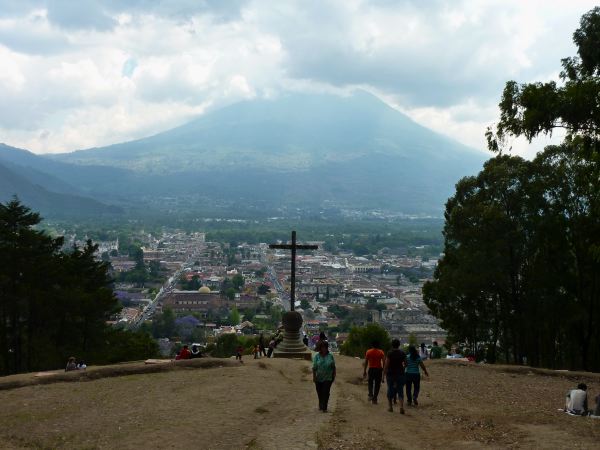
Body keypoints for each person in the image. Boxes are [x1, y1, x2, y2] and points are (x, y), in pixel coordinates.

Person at [382, 338, 406, 414]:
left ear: (392, 345)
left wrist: (383, 375)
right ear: (399, 345)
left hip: (390, 374)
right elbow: (406, 363)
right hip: (400, 373)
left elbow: (386, 365)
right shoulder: (402, 353)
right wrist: (402, 368)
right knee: (400, 390)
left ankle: (390, 407)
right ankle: (401, 407)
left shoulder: (390, 353)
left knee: (390, 389)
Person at [312, 340, 336, 412]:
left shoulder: (330, 356)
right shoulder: (317, 356)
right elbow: (314, 367)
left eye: (325, 347)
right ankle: (321, 403)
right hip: (318, 377)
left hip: (328, 377)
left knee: (326, 392)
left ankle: (324, 406)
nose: (324, 349)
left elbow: (333, 366)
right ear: (320, 348)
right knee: (319, 392)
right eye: (322, 347)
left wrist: (334, 374)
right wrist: (314, 377)